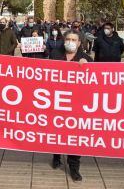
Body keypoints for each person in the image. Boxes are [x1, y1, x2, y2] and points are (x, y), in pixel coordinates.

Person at [49, 30, 92, 182]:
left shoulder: (86, 59)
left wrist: (87, 67)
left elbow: (93, 84)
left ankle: (74, 167)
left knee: (75, 136)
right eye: (68, 39)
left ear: (79, 42)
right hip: (56, 101)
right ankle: (56, 156)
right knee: (56, 131)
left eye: (74, 39)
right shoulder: (55, 54)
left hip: (76, 105)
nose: (70, 42)